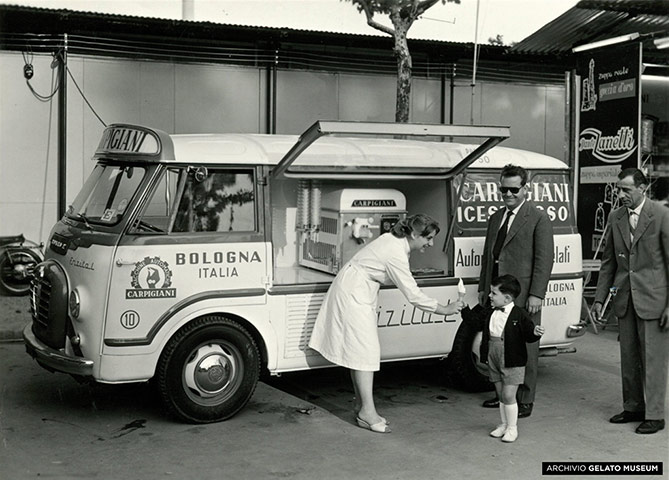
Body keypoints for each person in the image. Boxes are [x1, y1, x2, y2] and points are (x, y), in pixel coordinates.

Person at [308, 214, 464, 433]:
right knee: (365, 353)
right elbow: (413, 295)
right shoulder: (395, 252)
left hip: (357, 289)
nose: (430, 244)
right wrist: (445, 309)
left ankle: (362, 406)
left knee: (360, 352)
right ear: (413, 234)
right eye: (428, 238)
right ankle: (367, 412)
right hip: (353, 293)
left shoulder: (395, 241)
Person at [593, 168, 669, 435]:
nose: (620, 194)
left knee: (653, 360)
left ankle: (656, 415)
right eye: (618, 189)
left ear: (642, 188)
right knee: (628, 358)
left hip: (654, 300)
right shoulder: (615, 217)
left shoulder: (661, 215)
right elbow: (608, 263)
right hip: (625, 299)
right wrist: (600, 298)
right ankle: (633, 407)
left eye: (626, 189)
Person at [478, 164, 554, 418]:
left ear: (525, 189)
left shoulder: (538, 218)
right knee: (497, 344)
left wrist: (536, 294)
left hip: (523, 295)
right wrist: (483, 288)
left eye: (513, 189)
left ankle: (525, 398)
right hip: (498, 294)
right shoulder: (496, 217)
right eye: (503, 189)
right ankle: (503, 396)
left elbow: (544, 259)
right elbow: (489, 257)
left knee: (525, 347)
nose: (508, 194)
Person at [481, 274, 544, 443]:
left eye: (494, 293)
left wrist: (534, 333)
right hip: (493, 355)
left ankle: (512, 427)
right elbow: (475, 320)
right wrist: (463, 309)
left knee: (509, 395)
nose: (490, 296)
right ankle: (503, 424)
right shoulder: (490, 310)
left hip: (512, 358)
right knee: (501, 394)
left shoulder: (519, 314)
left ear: (507, 298)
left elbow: (529, 334)